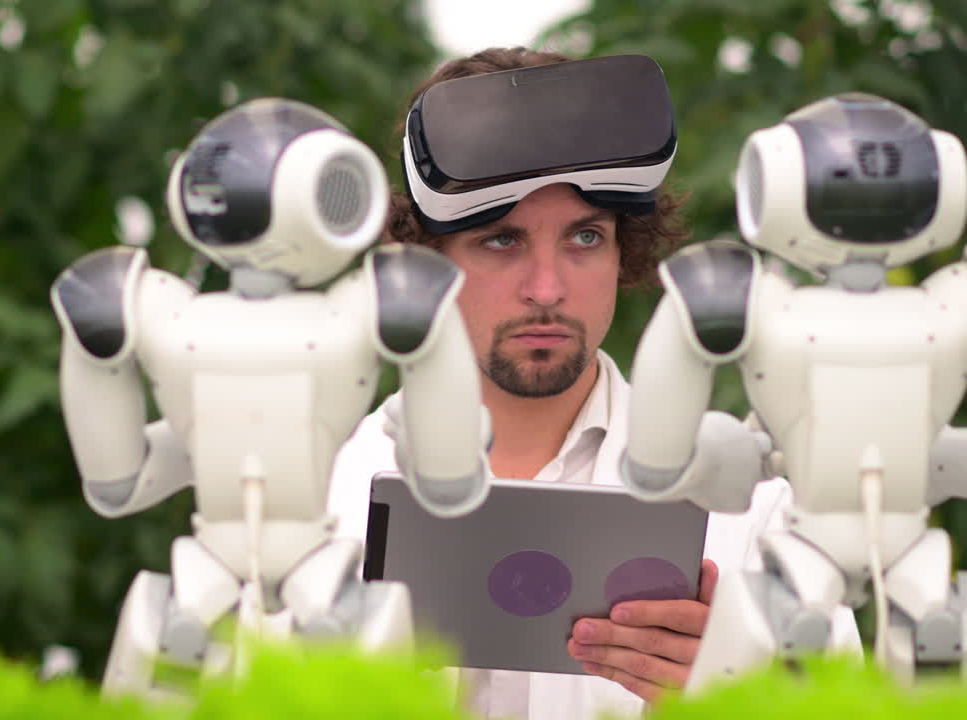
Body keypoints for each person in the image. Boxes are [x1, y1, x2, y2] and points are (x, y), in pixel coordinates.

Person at [327, 47, 859, 720]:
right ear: (428, 262)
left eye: (584, 238)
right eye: (501, 241)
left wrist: (741, 694)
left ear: (623, 251)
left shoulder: (753, 515)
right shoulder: (322, 498)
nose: (547, 290)